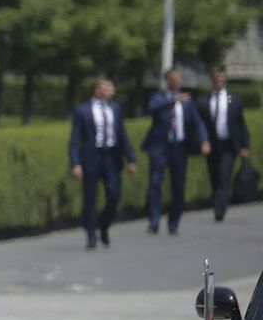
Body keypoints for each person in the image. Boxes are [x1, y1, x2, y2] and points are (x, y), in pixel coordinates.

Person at [68, 77, 137, 249]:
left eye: (112, 88)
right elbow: (75, 138)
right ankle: (91, 234)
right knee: (90, 197)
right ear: (97, 90)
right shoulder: (83, 110)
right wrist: (75, 163)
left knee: (114, 194)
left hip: (111, 157)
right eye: (108, 88)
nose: (111, 91)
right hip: (91, 157)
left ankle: (104, 225)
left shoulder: (116, 108)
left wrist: (131, 158)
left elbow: (122, 134)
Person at [143, 68, 210, 235]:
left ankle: (174, 222)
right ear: (168, 81)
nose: (178, 81)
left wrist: (204, 140)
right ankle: (154, 220)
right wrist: (173, 100)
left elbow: (197, 122)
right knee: (155, 183)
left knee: (178, 185)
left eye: (180, 78)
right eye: (175, 78)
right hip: (160, 146)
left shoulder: (187, 101)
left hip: (179, 147)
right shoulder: (159, 97)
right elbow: (152, 108)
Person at [197, 65, 252, 221]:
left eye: (221, 77)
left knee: (224, 175)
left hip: (229, 145)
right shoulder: (204, 100)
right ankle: (218, 202)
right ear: (212, 80)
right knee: (214, 176)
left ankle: (219, 208)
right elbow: (199, 124)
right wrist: (202, 141)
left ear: (225, 79)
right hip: (212, 145)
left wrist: (245, 146)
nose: (219, 81)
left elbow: (241, 124)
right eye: (216, 78)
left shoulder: (233, 99)